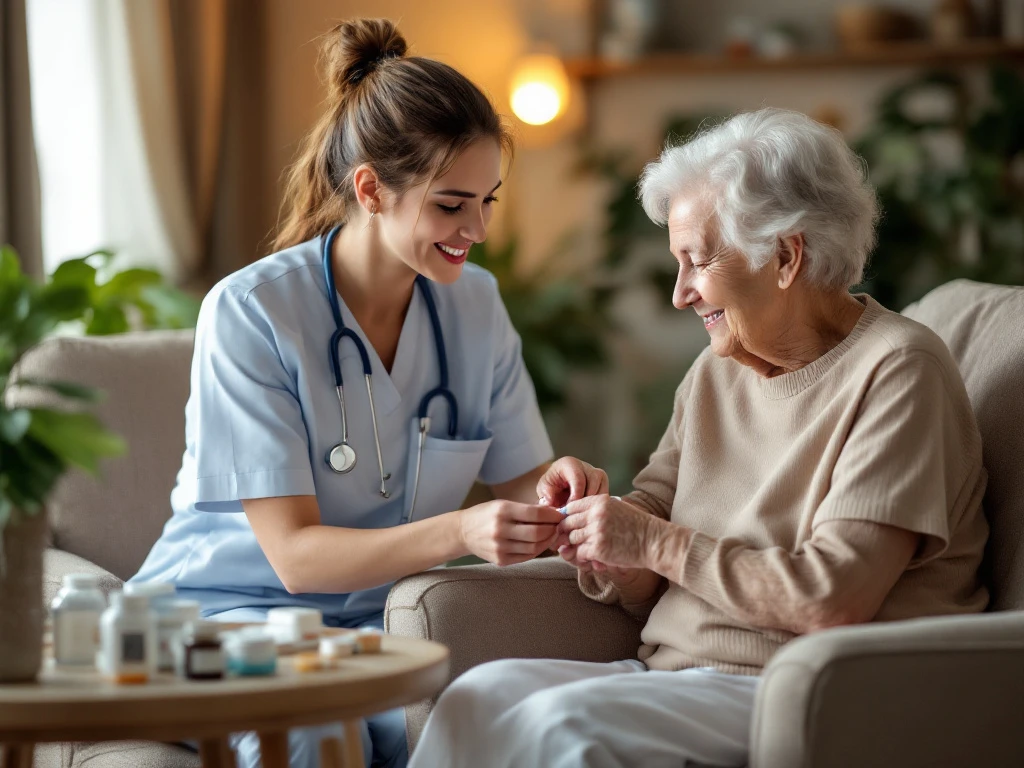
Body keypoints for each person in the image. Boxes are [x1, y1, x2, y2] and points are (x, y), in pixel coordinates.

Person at [410, 108, 990, 767]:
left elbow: (834, 598)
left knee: (560, 726)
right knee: (476, 697)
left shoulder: (899, 371)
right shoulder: (717, 370)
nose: (683, 293)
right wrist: (595, 525)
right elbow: (653, 536)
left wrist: (651, 540)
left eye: (697, 262)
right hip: (679, 679)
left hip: (806, 692)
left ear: (784, 255)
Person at [129, 18, 604, 768]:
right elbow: (294, 559)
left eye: (489, 200)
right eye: (452, 205)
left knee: (501, 717)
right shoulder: (253, 312)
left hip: (374, 631)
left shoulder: (473, 306)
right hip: (215, 616)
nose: (476, 228)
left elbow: (523, 480)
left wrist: (563, 488)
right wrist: (461, 532)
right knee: (318, 732)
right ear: (370, 189)